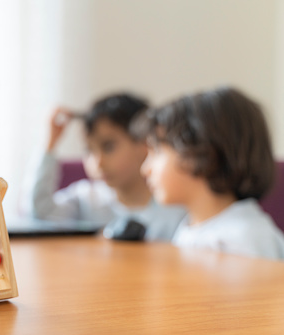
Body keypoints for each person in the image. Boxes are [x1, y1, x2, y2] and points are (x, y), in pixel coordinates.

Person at [134, 86, 284, 259]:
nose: (145, 169)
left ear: (199, 154)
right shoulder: (193, 226)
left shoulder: (243, 240)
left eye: (156, 152)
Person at [28, 93, 185, 241]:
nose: (98, 162)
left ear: (145, 143)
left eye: (108, 147)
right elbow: (39, 212)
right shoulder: (86, 199)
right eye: (89, 150)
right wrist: (49, 144)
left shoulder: (175, 208)